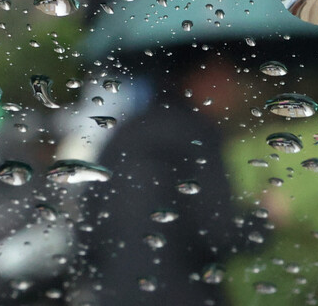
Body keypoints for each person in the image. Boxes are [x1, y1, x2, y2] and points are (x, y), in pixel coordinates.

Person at [77, 49, 262, 306]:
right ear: (203, 75)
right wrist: (264, 221)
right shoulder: (197, 134)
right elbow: (218, 233)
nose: (235, 88)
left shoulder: (122, 135)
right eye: (229, 75)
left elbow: (87, 232)